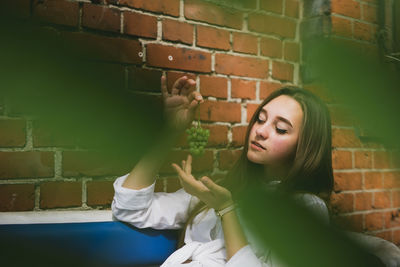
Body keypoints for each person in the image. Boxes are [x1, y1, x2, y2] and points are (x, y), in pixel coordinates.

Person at [112, 76, 400, 267]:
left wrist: (226, 210)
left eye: (280, 128)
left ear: (305, 146)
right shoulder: (225, 187)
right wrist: (169, 133)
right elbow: (130, 208)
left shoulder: (304, 208)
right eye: (260, 120)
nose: (261, 131)